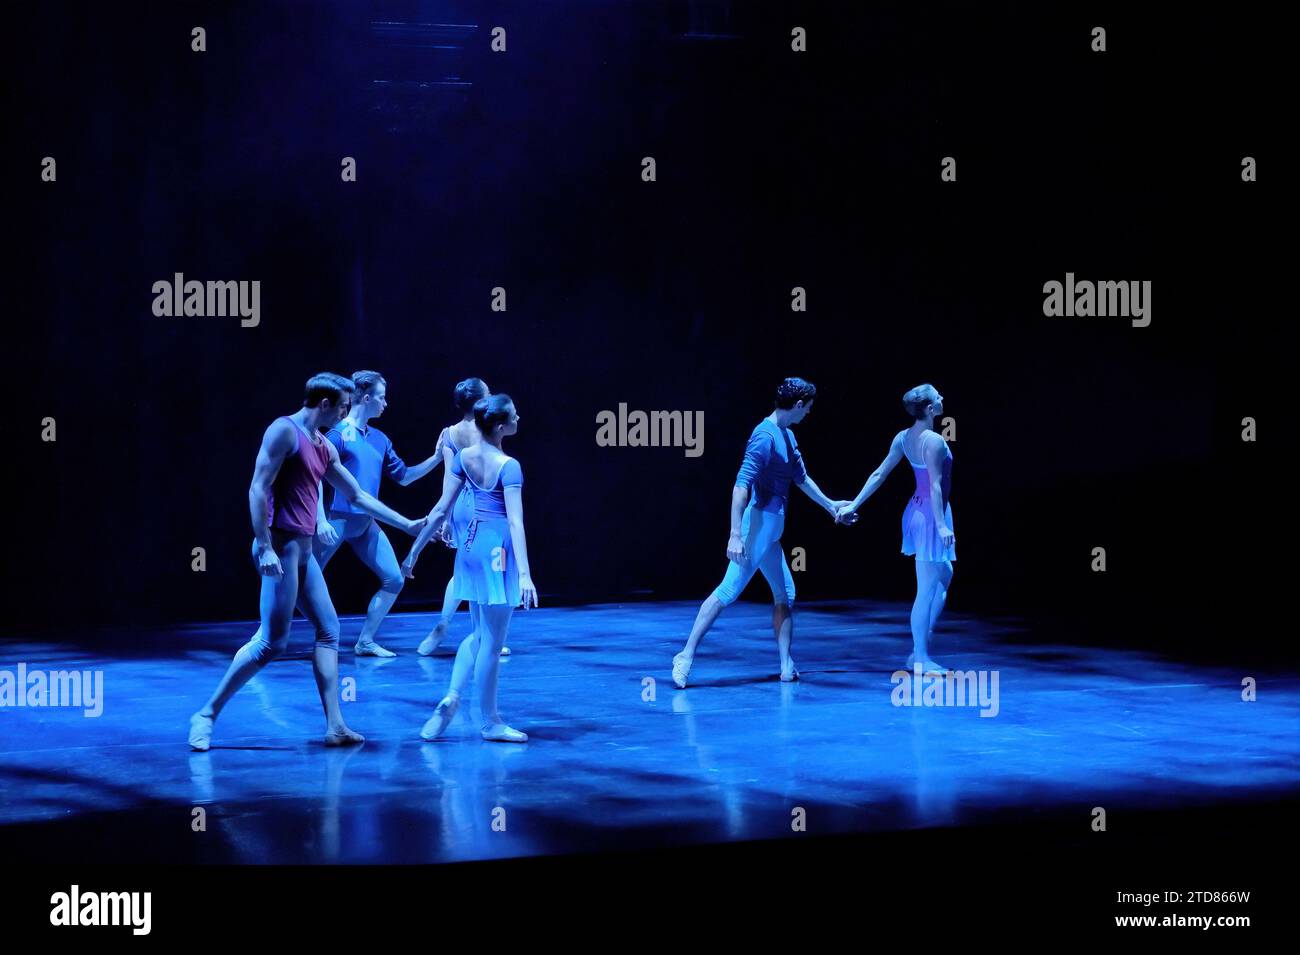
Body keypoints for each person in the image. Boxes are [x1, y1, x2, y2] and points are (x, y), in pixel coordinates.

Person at [188, 373, 425, 751]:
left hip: (304, 551)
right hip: (279, 549)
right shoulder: (284, 431)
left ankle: (336, 726)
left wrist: (407, 525)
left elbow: (358, 495)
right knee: (272, 643)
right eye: (343, 405)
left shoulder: (322, 446)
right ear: (326, 404)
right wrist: (264, 546)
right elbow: (257, 488)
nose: (347, 412)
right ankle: (206, 715)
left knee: (329, 630)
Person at [671, 377, 853, 688]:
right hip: (756, 527)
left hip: (771, 533)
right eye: (807, 408)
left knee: (786, 593)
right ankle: (685, 656)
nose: (808, 413)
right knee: (727, 592)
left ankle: (785, 665)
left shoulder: (788, 437)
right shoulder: (764, 436)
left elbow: (802, 479)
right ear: (797, 405)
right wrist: (734, 534)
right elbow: (741, 486)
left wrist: (831, 506)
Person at [402, 394, 537, 742]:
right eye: (514, 415)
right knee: (493, 643)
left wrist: (414, 551)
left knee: (478, 635)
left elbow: (440, 510)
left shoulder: (463, 457)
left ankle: (452, 695)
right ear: (501, 426)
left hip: (470, 547)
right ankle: (490, 720)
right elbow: (516, 522)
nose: (519, 417)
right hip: (497, 549)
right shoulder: (509, 465)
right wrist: (524, 573)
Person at [315, 370, 442, 657]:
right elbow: (315, 479)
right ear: (367, 397)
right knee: (306, 581)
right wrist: (320, 520)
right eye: (382, 398)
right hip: (335, 521)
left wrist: (437, 458)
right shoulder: (336, 436)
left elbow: (405, 476)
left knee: (394, 579)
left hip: (364, 524)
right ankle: (271, 633)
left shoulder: (379, 439)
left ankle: (365, 641)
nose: (386, 403)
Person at [836, 384, 955, 675]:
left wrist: (855, 503)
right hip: (929, 515)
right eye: (937, 396)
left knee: (945, 576)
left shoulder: (904, 437)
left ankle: (920, 643)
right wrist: (940, 526)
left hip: (921, 510)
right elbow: (936, 485)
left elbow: (879, 474)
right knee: (926, 589)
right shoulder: (934, 441)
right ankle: (920, 657)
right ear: (929, 409)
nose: (942, 398)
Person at [417, 377, 509, 658]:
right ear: (480, 401)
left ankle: (454, 626)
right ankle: (482, 634)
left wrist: (445, 517)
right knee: (489, 569)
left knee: (466, 568)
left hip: (459, 505)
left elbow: (449, 476)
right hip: (485, 505)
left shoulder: (449, 433)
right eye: (489, 392)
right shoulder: (487, 428)